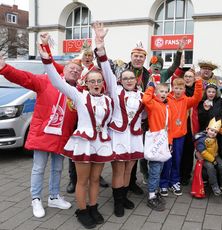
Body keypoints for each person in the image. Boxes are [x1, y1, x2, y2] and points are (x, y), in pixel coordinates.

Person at [39, 46, 114, 229]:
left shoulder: (108, 100)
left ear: (102, 83)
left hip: (101, 142)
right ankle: (81, 210)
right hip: (84, 142)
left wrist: (101, 46)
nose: (96, 83)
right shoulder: (79, 96)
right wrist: (47, 59)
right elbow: (58, 82)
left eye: (99, 81)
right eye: (92, 81)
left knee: (96, 179)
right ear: (86, 83)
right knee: (82, 180)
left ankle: (93, 206)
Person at [0, 56, 80, 218]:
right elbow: (24, 77)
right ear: (62, 70)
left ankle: (54, 196)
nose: (74, 71)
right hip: (44, 133)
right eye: (71, 68)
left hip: (62, 135)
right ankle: (36, 199)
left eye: (78, 70)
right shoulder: (46, 80)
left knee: (58, 168)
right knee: (38, 168)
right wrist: (4, 68)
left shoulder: (78, 91)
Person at [93, 22, 145, 217]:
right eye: (126, 78)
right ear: (120, 80)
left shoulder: (141, 95)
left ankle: (123, 197)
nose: (129, 80)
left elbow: (149, 113)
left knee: (129, 170)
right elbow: (106, 68)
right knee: (118, 170)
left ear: (136, 80)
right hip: (119, 136)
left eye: (132, 78)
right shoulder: (115, 91)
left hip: (134, 137)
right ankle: (117, 202)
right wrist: (100, 44)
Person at [159, 77, 203, 196]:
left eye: (181, 88)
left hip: (180, 136)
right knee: (166, 160)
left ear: (184, 89)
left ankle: (174, 181)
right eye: (176, 88)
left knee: (177, 160)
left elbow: (197, 97)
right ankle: (163, 183)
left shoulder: (186, 100)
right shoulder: (166, 99)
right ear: (172, 88)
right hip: (167, 136)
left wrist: (198, 82)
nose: (178, 91)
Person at [142, 82, 172, 211]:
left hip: (163, 141)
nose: (164, 94)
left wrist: (169, 142)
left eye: (166, 92)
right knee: (154, 170)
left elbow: (168, 127)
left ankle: (155, 191)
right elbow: (145, 99)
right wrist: (150, 87)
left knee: (159, 169)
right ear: (156, 93)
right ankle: (151, 196)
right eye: (161, 91)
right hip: (155, 142)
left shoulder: (166, 106)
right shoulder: (152, 104)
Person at [194, 118, 222, 196]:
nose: (213, 133)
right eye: (211, 130)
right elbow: (203, 152)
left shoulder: (214, 138)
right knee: (211, 168)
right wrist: (213, 160)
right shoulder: (201, 139)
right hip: (205, 158)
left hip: (215, 155)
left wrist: (215, 157)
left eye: (215, 132)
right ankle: (215, 186)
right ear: (207, 129)